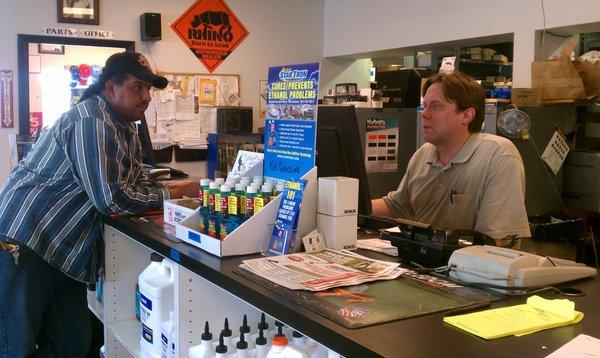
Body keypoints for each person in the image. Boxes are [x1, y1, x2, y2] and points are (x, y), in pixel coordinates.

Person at [0, 52, 198, 357]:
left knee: (73, 340)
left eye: (149, 89)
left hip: (63, 251)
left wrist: (175, 189)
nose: (146, 97)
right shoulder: (92, 121)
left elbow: (135, 183)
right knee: (15, 342)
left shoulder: (124, 126)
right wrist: (174, 194)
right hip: (27, 242)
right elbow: (113, 199)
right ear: (110, 88)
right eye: (137, 87)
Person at [371, 71, 530, 245]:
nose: (424, 114)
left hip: (469, 268)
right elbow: (397, 206)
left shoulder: (499, 156)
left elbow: (496, 240)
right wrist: (347, 205)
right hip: (424, 261)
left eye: (435, 106)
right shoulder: (424, 153)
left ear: (466, 115)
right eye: (425, 106)